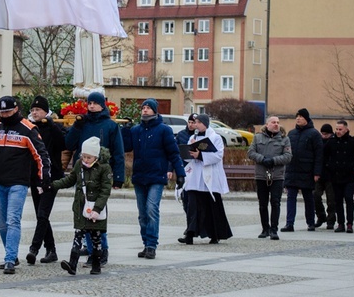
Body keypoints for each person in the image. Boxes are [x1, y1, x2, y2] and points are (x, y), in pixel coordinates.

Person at [0, 96, 51, 274]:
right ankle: (12, 255)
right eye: (1, 112)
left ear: (16, 109)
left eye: (7, 111)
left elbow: (41, 154)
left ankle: (9, 259)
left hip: (18, 182)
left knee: (13, 220)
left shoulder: (28, 129)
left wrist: (43, 177)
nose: (5, 115)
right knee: (2, 224)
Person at [65, 91, 124, 265]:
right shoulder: (82, 123)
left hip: (100, 172)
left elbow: (118, 152)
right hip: (83, 172)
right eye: (89, 103)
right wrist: (76, 127)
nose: (91, 106)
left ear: (102, 105)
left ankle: (101, 250)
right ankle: (92, 251)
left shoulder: (110, 125)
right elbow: (68, 144)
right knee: (85, 212)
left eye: (94, 103)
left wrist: (118, 176)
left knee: (96, 212)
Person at [122, 99, 185, 259]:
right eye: (143, 108)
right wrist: (125, 130)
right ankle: (145, 244)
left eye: (148, 108)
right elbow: (127, 146)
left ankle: (151, 245)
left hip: (156, 176)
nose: (145, 110)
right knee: (142, 214)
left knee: (151, 209)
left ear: (155, 111)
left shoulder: (164, 130)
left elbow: (173, 153)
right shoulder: (136, 130)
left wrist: (180, 173)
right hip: (139, 176)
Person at [53, 137, 112, 276]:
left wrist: (97, 209)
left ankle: (96, 265)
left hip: (96, 208)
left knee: (96, 236)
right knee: (78, 235)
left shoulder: (104, 167)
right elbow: (70, 179)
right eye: (83, 156)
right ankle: (72, 264)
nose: (85, 160)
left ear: (96, 156)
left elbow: (105, 191)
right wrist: (52, 185)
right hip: (81, 206)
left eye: (89, 157)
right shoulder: (79, 164)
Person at [178, 114, 233, 245]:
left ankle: (215, 234)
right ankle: (190, 234)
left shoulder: (216, 138)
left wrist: (200, 155)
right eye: (194, 122)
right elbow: (187, 157)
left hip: (210, 176)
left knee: (211, 207)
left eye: (197, 122)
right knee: (192, 206)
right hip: (195, 176)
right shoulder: (193, 137)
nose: (195, 125)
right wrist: (189, 152)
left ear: (204, 123)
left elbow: (218, 155)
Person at [25, 96, 66, 265]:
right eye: (33, 110)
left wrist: (52, 125)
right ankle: (51, 250)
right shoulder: (29, 129)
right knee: (41, 215)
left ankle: (33, 249)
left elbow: (63, 143)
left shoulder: (54, 127)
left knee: (43, 214)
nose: (35, 113)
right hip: (35, 177)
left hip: (51, 177)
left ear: (46, 111)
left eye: (38, 110)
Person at [247, 115, 292, 240]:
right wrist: (262, 159)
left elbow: (288, 156)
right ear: (267, 125)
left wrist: (273, 160)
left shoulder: (284, 139)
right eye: (273, 122)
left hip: (277, 175)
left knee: (275, 202)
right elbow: (250, 152)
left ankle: (274, 229)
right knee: (262, 203)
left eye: (278, 122)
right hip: (261, 175)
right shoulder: (257, 137)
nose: (276, 124)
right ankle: (265, 229)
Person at [281, 108, 323, 232]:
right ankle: (289, 224)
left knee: (308, 198)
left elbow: (319, 154)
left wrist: (317, 172)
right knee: (291, 197)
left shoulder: (314, 134)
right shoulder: (291, 133)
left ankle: (310, 223)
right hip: (292, 170)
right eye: (297, 116)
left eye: (301, 116)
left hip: (307, 171)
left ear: (307, 119)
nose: (298, 118)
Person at [323, 120, 354, 233]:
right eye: (336, 129)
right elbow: (324, 157)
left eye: (340, 129)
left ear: (346, 129)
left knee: (348, 198)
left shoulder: (353, 142)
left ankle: (349, 223)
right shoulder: (331, 142)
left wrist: (353, 167)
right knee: (337, 200)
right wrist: (329, 168)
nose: (338, 131)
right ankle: (341, 223)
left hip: (349, 176)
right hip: (335, 176)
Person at [314, 123, 337, 229]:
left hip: (331, 175)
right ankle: (321, 216)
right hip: (319, 174)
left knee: (331, 200)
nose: (323, 136)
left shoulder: (334, 142)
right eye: (322, 134)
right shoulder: (318, 142)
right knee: (315, 196)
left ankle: (331, 219)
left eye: (326, 134)